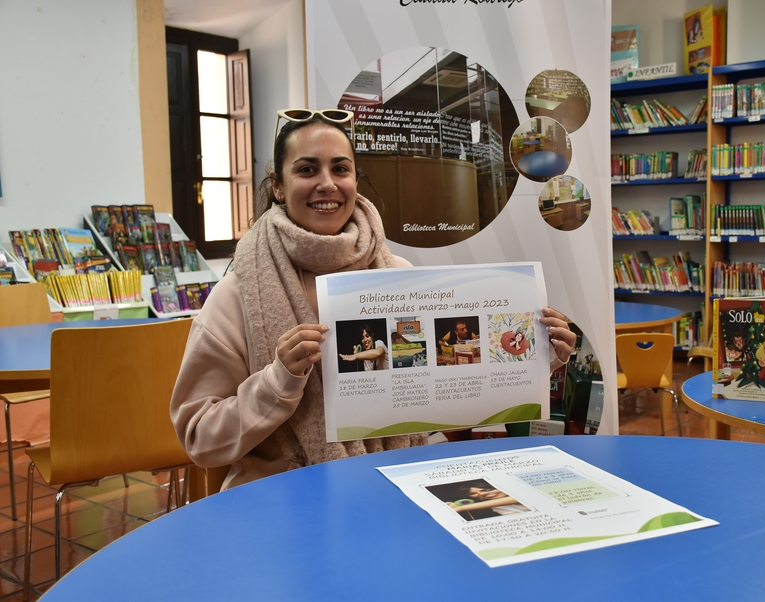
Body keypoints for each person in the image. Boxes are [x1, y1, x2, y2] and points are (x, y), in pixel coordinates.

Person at [170, 108, 577, 491]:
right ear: (278, 185)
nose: (327, 183)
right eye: (307, 169)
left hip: (394, 486)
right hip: (285, 497)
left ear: (355, 179)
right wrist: (277, 381)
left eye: (340, 169)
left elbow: (449, 386)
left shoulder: (398, 274)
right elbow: (199, 439)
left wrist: (536, 357)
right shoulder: (240, 295)